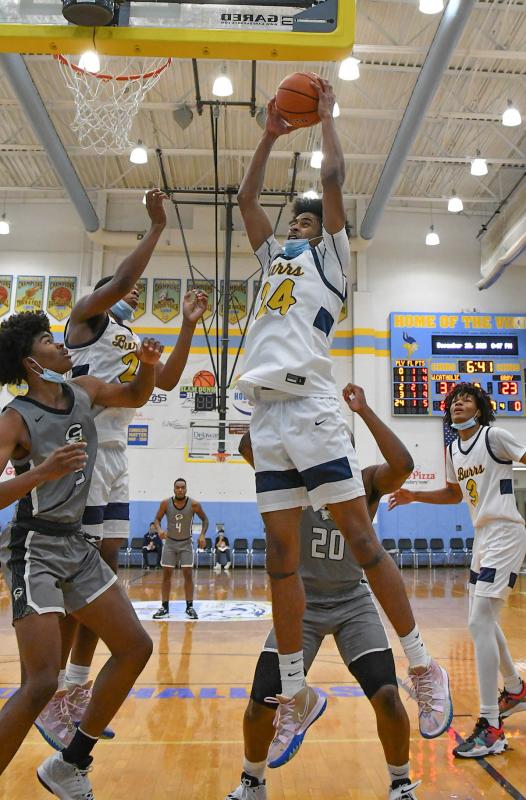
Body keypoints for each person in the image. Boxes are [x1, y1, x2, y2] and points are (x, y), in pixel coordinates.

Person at [235, 79, 451, 766]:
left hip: (311, 404)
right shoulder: (271, 261)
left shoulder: (329, 262)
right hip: (265, 410)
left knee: (360, 536)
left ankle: (420, 664)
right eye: (293, 220)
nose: (297, 224)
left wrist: (325, 120)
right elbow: (244, 201)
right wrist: (270, 131)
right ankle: (296, 693)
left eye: (305, 220)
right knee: (280, 555)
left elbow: (330, 177)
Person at [35, 189, 208, 748]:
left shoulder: (128, 336)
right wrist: (155, 229)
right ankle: (54, 692)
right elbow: (121, 282)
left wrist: (184, 326)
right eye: (123, 285)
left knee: (103, 576)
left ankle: (79, 687)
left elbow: (166, 383)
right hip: (80, 455)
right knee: (76, 579)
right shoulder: (84, 317)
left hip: (117, 458)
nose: (128, 292)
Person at [226, 384, 420, 800]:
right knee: (262, 701)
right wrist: (275, 400)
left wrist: (365, 411)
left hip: (353, 602)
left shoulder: (364, 482)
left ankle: (401, 784)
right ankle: (251, 782)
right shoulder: (289, 480)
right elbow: (247, 443)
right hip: (301, 606)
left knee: (387, 697)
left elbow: (403, 463)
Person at [0, 310, 161, 795]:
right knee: (42, 682)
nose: (62, 346)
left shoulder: (85, 389)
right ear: (31, 361)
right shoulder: (13, 418)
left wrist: (149, 365)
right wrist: (37, 474)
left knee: (136, 647)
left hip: (75, 543)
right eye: (50, 341)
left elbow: (134, 395)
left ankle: (71, 763)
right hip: (35, 547)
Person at [389, 382, 526, 759]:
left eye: (466, 400)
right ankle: (514, 688)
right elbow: (454, 493)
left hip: (506, 531)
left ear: (479, 409)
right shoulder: (452, 449)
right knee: (482, 619)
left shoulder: (494, 436)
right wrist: (415, 495)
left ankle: (491, 726)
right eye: (453, 401)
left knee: (480, 622)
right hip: (482, 537)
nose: (458, 404)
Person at [151, 478, 208, 620]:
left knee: (188, 574)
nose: (180, 490)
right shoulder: (165, 503)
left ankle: (189, 607)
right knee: (166, 575)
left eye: (183, 487)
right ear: (174, 489)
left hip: (186, 543)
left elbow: (205, 520)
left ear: (186, 489)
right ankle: (164, 607)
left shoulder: (194, 504)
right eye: (178, 487)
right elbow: (156, 519)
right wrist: (159, 530)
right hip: (170, 543)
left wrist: (202, 535)